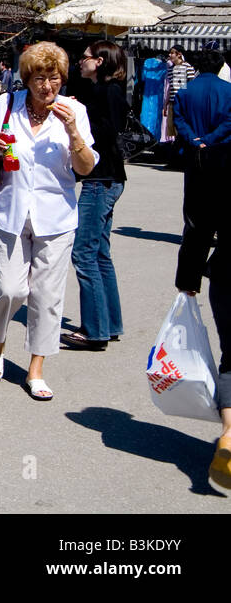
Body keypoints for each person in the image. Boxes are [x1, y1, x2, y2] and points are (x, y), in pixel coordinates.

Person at [0, 42, 97, 401]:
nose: (47, 86)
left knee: (46, 295)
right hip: (9, 211)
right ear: (27, 79)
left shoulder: (74, 110)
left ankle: (36, 367)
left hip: (56, 217)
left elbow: (86, 167)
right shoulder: (4, 105)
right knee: (12, 289)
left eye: (54, 78)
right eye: (40, 78)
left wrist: (73, 130)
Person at [171, 49, 231, 488]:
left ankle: (230, 433)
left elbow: (179, 123)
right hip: (219, 148)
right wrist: (217, 135)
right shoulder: (228, 94)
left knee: (195, 218)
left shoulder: (188, 91)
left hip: (197, 159)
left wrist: (196, 140)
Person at [64, 41, 130, 351]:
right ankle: (110, 323)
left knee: (84, 252)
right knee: (100, 252)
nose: (81, 61)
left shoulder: (108, 92)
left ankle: (94, 329)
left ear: (100, 61)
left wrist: (77, 119)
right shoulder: (106, 92)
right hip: (109, 178)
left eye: (86, 57)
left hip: (100, 180)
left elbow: (104, 133)